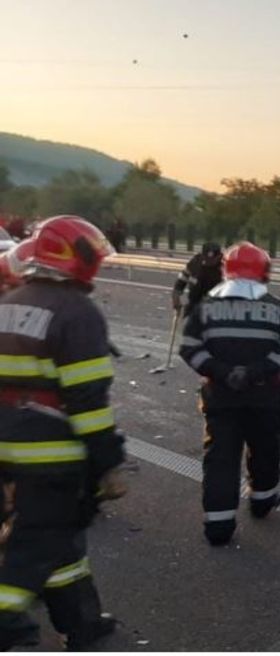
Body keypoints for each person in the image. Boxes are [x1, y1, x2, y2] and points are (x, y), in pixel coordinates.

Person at [0, 215, 126, 650]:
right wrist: (107, 461)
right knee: (38, 543)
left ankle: (80, 621)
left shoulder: (10, 302)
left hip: (7, 442)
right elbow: (87, 399)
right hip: (49, 452)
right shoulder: (77, 312)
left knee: (60, 539)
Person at [178, 242, 280, 546]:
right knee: (265, 450)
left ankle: (218, 526)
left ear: (226, 270)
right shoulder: (277, 308)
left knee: (220, 457)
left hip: (220, 395)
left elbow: (189, 348)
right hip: (266, 395)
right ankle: (262, 501)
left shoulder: (206, 307)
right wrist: (256, 372)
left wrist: (222, 372)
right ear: (264, 271)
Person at [171, 241, 223, 316]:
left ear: (219, 256)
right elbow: (182, 279)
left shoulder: (225, 266)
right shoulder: (195, 262)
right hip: (194, 302)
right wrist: (176, 295)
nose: (209, 262)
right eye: (207, 259)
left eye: (213, 260)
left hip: (216, 306)